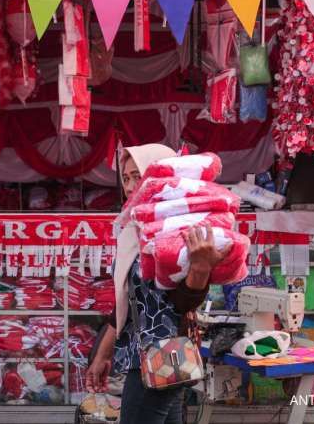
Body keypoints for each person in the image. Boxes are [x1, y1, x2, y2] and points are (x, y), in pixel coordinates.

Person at [85, 144, 229, 424]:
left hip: (164, 355)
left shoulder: (176, 225)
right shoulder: (135, 228)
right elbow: (128, 300)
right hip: (141, 358)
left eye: (137, 176)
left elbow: (181, 304)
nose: (129, 186)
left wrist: (200, 270)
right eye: (125, 178)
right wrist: (102, 354)